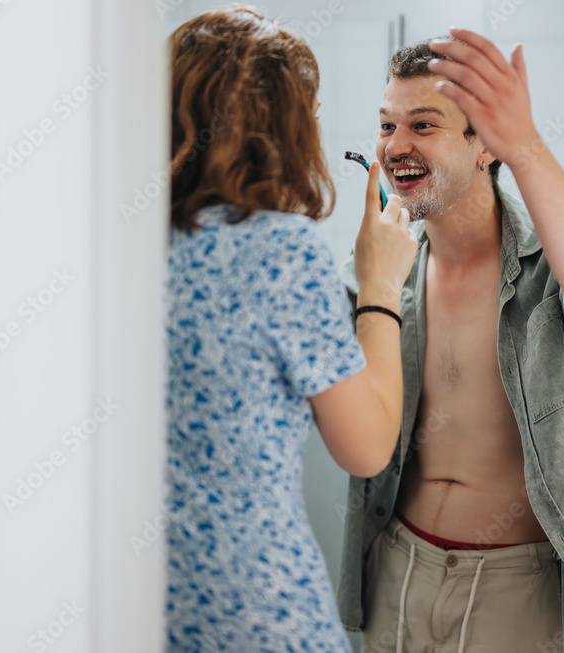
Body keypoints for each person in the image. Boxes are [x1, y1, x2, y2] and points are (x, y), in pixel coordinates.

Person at [336, 30, 564, 653]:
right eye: (386, 125)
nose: (396, 145)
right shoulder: (380, 271)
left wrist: (527, 145)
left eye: (423, 126)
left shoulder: (547, 263)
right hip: (395, 566)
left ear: (484, 146)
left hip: (515, 587)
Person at [163, 6, 418, 651]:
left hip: (146, 601)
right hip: (257, 603)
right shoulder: (278, 249)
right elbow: (365, 448)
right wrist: (381, 282)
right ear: (279, 127)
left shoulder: (119, 252)